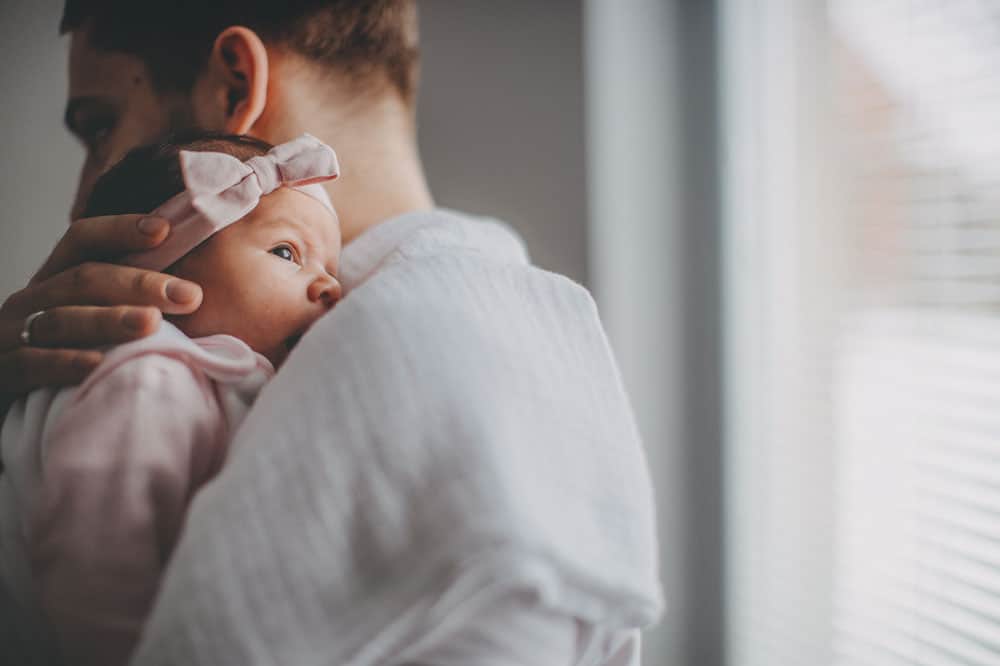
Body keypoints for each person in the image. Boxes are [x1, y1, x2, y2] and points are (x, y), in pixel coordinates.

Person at [0, 2, 664, 664]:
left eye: (100, 128)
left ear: (235, 84)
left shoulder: (398, 351)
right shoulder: (531, 335)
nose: (82, 196)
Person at [1, 132, 342, 666]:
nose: (329, 287)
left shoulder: (208, 373)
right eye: (286, 253)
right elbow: (95, 558)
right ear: (164, 277)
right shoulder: (149, 377)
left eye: (330, 269)